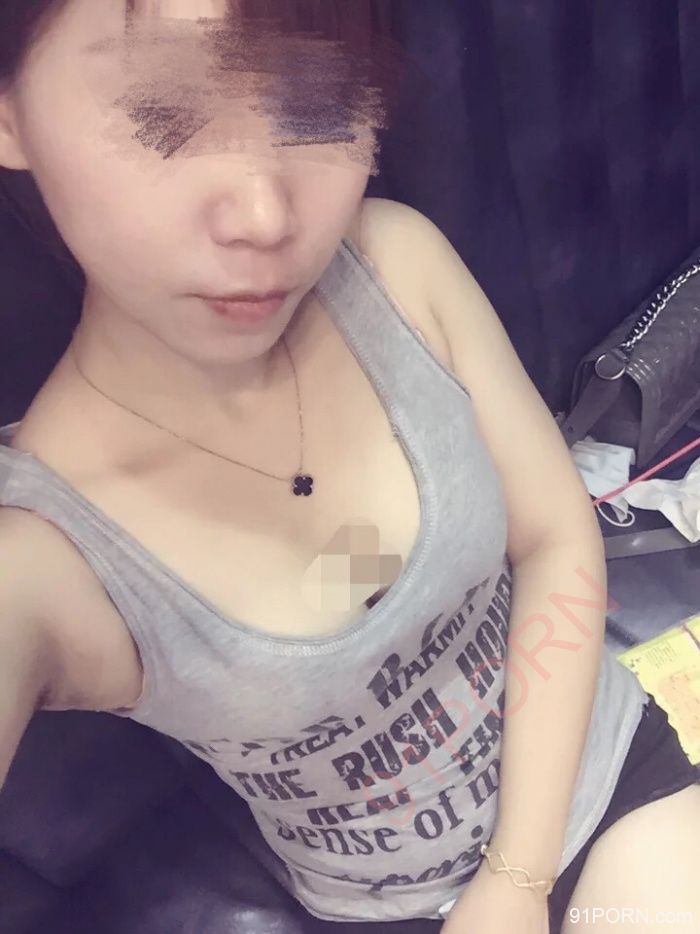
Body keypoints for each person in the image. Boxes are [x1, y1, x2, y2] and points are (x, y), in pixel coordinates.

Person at [0, 2, 698, 932]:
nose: (265, 215)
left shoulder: (395, 266)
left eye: (318, 109)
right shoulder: (36, 556)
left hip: (599, 775)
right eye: (161, 113)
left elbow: (553, 536)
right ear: (10, 112)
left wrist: (519, 879)